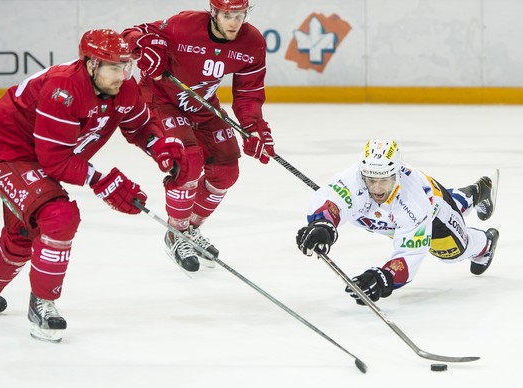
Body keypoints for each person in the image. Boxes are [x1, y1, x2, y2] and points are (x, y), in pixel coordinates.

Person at [0, 29, 189, 342]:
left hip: (41, 154)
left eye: (126, 66)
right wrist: (102, 181)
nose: (123, 75)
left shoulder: (123, 87)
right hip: (7, 151)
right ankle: (42, 304)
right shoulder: (64, 90)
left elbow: (140, 125)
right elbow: (55, 160)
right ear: (90, 64)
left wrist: (161, 147)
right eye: (114, 67)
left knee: (25, 232)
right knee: (58, 216)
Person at [121, 0, 275, 273]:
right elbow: (132, 34)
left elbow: (248, 94)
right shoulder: (183, 25)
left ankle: (190, 229)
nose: (234, 22)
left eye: (240, 15)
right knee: (188, 160)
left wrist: (253, 127)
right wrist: (144, 48)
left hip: (203, 106)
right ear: (214, 11)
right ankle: (176, 233)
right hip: (161, 100)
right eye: (227, 15)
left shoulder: (252, 43)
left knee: (226, 172)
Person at [295, 139, 499, 305]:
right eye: (371, 180)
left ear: (397, 175)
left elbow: (410, 254)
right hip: (395, 216)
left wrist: (385, 277)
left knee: (452, 252)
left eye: (384, 180)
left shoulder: (414, 203)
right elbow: (332, 201)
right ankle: (473, 192)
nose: (376, 188)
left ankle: (486, 243)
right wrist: (322, 225)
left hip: (435, 209)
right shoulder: (353, 180)